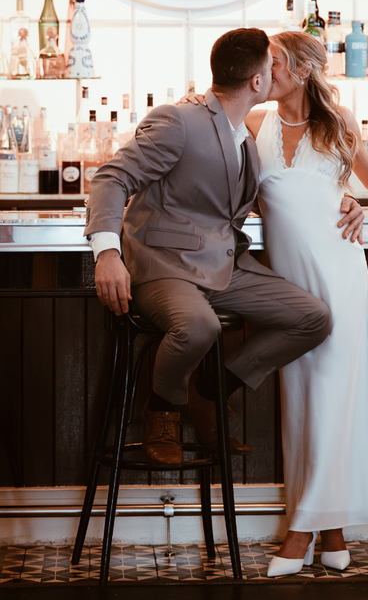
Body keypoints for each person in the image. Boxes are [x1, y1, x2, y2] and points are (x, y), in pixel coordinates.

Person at [181, 30, 368, 576]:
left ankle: (303, 535)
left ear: (299, 71)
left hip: (341, 277)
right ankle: (334, 531)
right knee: (304, 407)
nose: (262, 71)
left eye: (272, 63)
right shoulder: (254, 124)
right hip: (291, 293)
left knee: (336, 402)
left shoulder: (339, 123)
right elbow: (223, 178)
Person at [86, 28, 351, 469]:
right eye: (273, 66)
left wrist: (344, 198)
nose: (277, 72)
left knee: (313, 318)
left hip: (223, 265)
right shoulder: (179, 120)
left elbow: (294, 183)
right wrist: (107, 253)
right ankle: (161, 410)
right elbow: (111, 178)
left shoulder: (246, 132)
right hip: (164, 265)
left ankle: (207, 394)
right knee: (197, 327)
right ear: (256, 81)